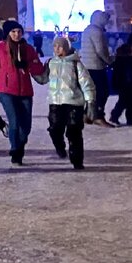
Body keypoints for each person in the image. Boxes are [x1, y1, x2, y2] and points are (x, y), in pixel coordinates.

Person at [0, 20, 44, 165]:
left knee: (26, 126)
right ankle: (15, 148)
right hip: (6, 90)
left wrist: (29, 64)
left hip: (25, 91)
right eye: (13, 32)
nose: (17, 34)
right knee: (15, 121)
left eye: (19, 31)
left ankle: (20, 145)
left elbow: (38, 70)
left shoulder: (28, 49)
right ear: (8, 34)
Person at [44, 36, 95, 170]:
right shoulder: (51, 62)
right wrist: (34, 72)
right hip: (55, 102)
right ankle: (59, 146)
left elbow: (87, 83)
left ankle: (77, 160)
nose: (57, 49)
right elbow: (43, 78)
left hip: (73, 103)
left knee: (74, 132)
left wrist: (90, 102)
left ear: (66, 48)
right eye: (55, 46)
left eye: (60, 46)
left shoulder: (75, 64)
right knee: (55, 129)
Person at [79, 10, 115, 127]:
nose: (106, 23)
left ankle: (87, 114)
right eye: (105, 20)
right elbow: (100, 50)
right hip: (96, 66)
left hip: (87, 66)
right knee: (102, 92)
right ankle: (98, 116)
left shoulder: (87, 30)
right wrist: (109, 60)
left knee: (91, 93)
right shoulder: (96, 32)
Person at [109, 43, 132, 127]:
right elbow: (129, 74)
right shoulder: (128, 61)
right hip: (127, 85)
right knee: (125, 102)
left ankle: (117, 116)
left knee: (125, 102)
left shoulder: (119, 60)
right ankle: (116, 116)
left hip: (122, 84)